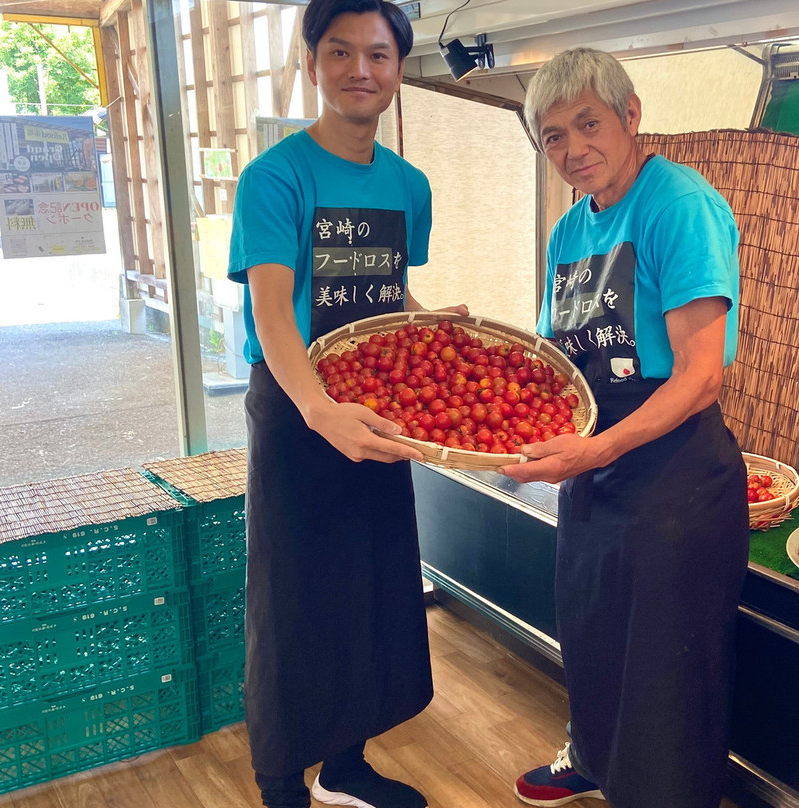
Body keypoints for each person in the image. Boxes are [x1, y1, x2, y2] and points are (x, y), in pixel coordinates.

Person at [227, 2, 465, 807]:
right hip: (299, 409)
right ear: (312, 63)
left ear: (399, 70)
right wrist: (318, 410)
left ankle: (346, 765)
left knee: (371, 583)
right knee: (293, 595)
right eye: (340, 52)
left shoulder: (409, 185)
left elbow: (382, 288)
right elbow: (272, 308)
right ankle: (280, 778)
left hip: (379, 406)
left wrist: (431, 325)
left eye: (377, 54)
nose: (360, 69)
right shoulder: (276, 177)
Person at [503, 48, 750, 808]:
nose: (574, 149)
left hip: (675, 475)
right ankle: (594, 760)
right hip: (595, 468)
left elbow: (701, 373)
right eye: (553, 136)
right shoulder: (569, 233)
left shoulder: (676, 204)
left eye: (589, 123)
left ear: (630, 115)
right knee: (594, 627)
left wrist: (599, 447)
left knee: (668, 660)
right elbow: (552, 358)